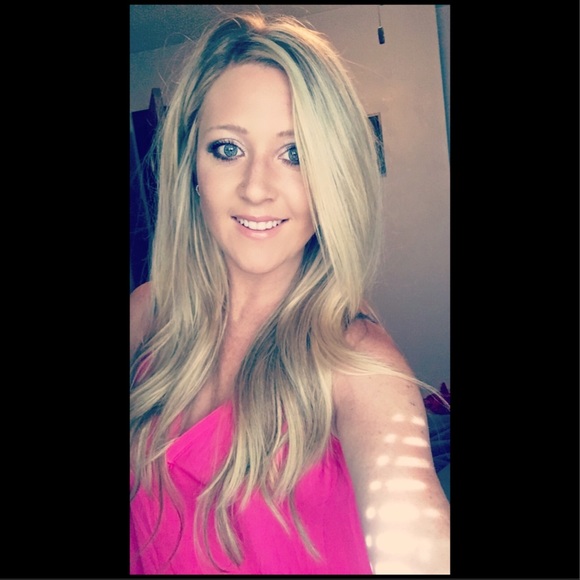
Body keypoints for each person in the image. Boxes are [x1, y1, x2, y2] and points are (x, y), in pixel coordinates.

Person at [130, 12, 450, 575]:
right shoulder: (146, 312)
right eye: (227, 149)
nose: (257, 188)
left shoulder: (359, 362)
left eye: (295, 154)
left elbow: (414, 531)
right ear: (191, 167)